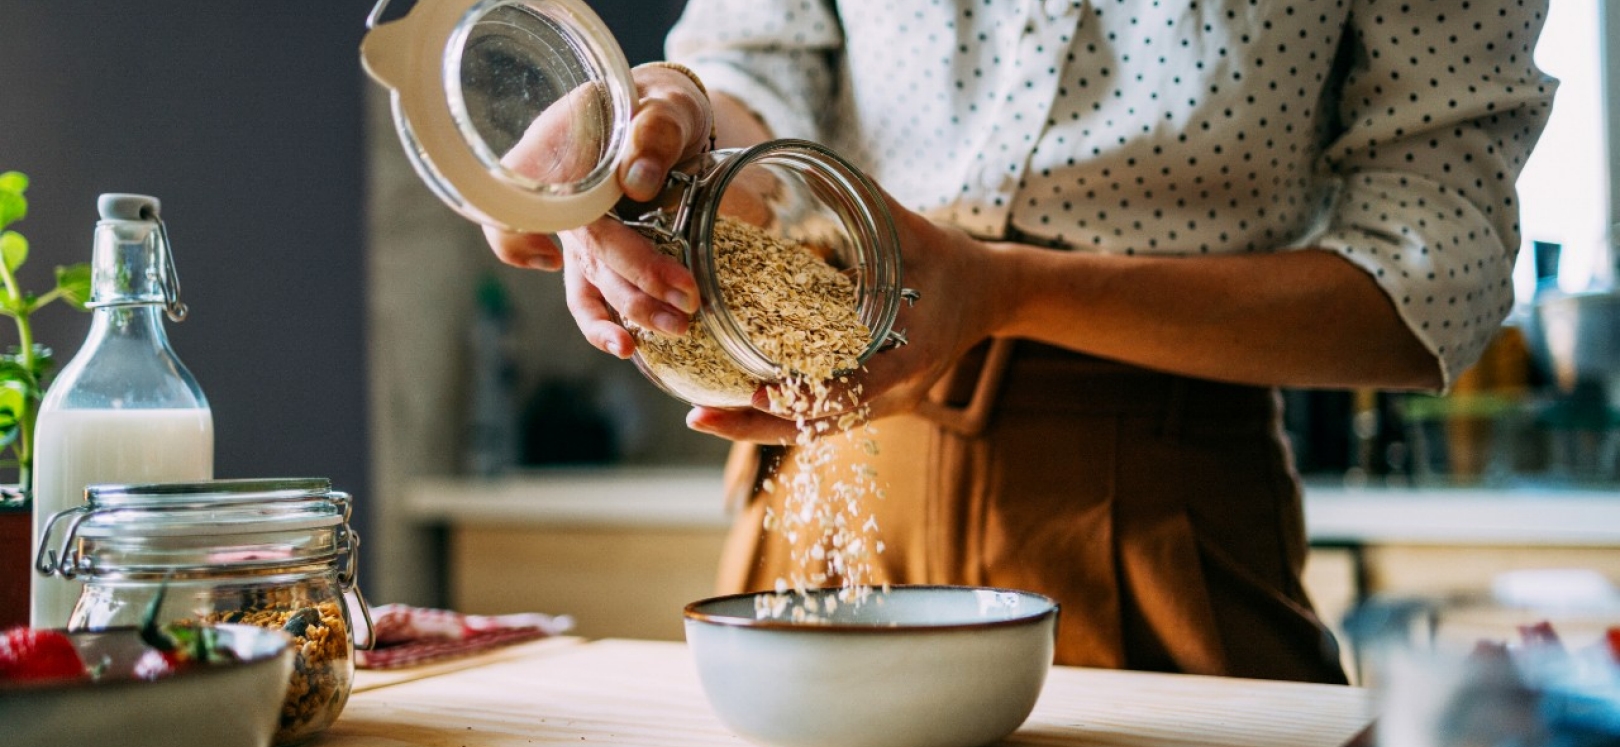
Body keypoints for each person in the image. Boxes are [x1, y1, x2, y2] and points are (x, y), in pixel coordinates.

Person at [484, 0, 1556, 683]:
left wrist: (1002, 290)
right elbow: (757, 80)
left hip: (1159, 520)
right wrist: (670, 127)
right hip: (827, 460)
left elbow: (1432, 285)